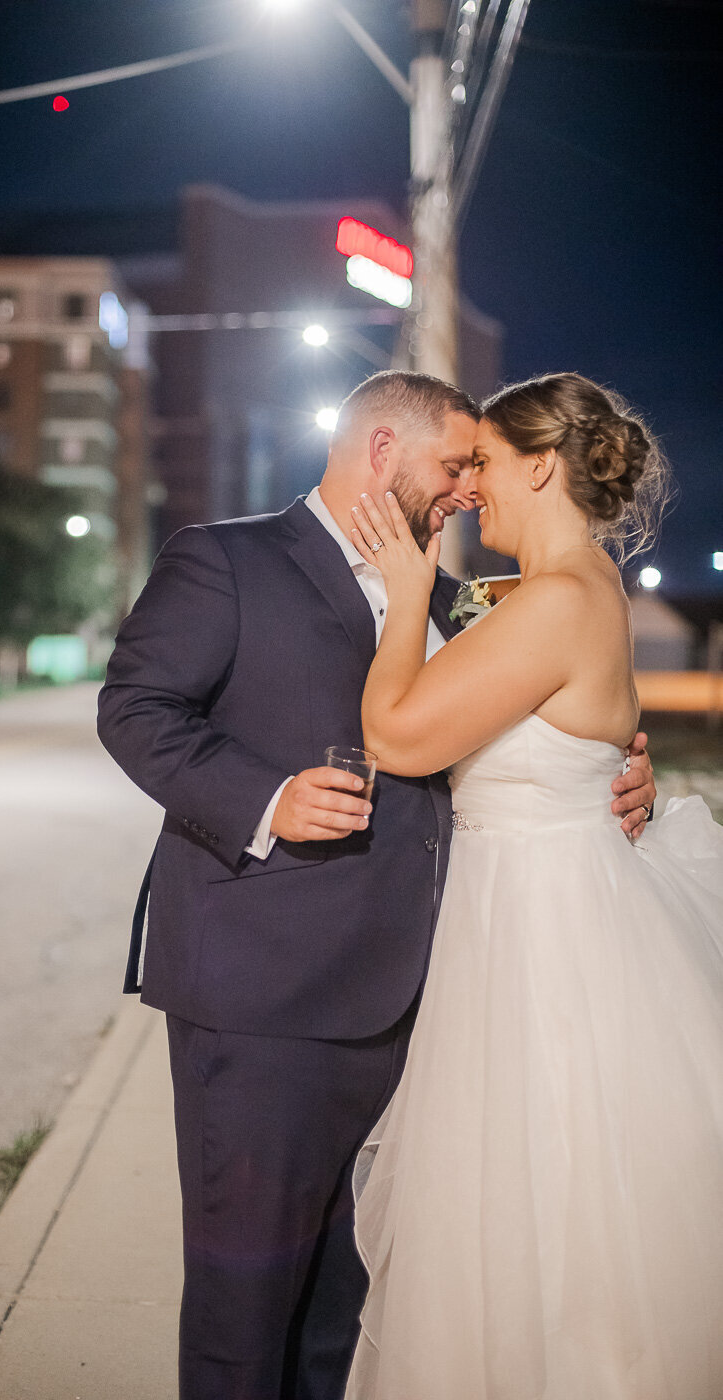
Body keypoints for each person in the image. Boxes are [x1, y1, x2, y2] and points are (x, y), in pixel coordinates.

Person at [96, 371, 657, 1400]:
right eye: (454, 465)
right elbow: (135, 709)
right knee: (245, 1301)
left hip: (426, 1008)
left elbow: (532, 716)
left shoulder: (450, 598)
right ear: (384, 452)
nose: (464, 491)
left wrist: (616, 762)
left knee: (353, 1316)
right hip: (264, 997)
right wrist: (266, 798)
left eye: (479, 468)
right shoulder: (227, 558)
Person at [344, 372, 723, 1400]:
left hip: (538, 940)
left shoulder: (557, 597)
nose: (473, 488)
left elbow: (396, 735)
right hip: (546, 908)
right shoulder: (572, 588)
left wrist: (408, 594)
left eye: (488, 465)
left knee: (538, 1216)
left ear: (542, 464)